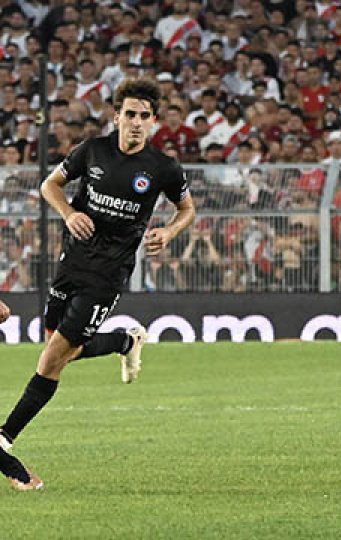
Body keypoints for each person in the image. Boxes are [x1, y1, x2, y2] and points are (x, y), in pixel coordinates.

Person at [0, 78, 196, 491]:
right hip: (72, 262)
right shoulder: (92, 150)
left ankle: (6, 435)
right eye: (130, 114)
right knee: (56, 344)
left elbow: (187, 209)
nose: (137, 123)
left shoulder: (163, 168)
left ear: (154, 121)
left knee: (52, 358)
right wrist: (69, 213)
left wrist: (171, 233)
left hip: (108, 275)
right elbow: (49, 185)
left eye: (145, 116)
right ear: (117, 116)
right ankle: (123, 341)